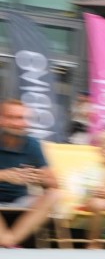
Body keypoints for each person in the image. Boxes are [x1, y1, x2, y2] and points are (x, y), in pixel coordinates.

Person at [0, 99, 59, 247]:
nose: (18, 123)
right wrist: (4, 175)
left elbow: (54, 183)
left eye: (22, 118)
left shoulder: (32, 144)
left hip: (19, 199)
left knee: (54, 194)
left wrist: (39, 177)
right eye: (12, 117)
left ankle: (11, 240)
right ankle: (6, 241)